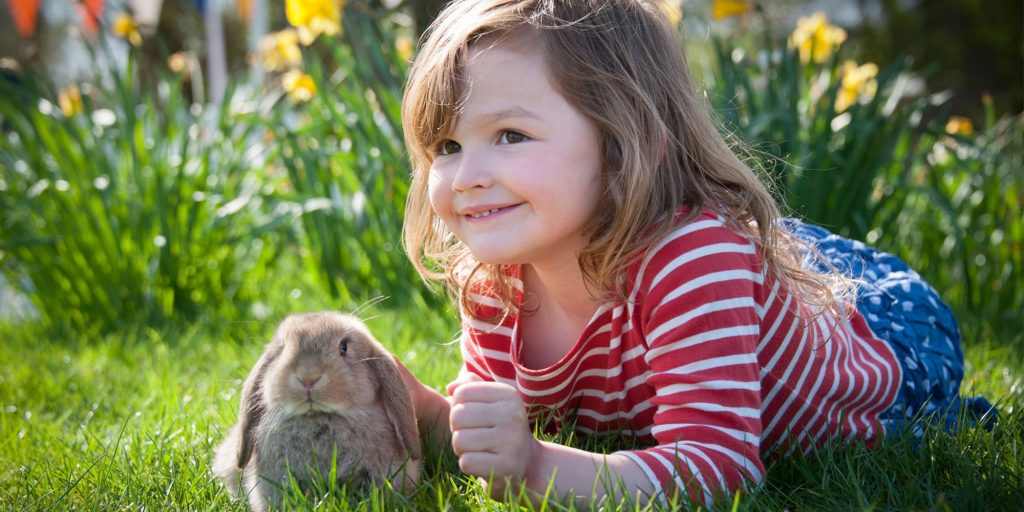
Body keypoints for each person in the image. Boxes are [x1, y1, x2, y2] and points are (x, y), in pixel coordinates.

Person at [394, 0, 991, 507]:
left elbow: (720, 466)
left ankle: (766, 256)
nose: (466, 175)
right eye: (447, 145)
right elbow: (492, 436)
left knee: (736, 243)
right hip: (730, 263)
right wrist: (420, 407)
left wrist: (536, 468)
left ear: (629, 140)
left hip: (889, 327)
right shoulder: (493, 284)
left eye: (511, 136)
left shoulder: (691, 262)